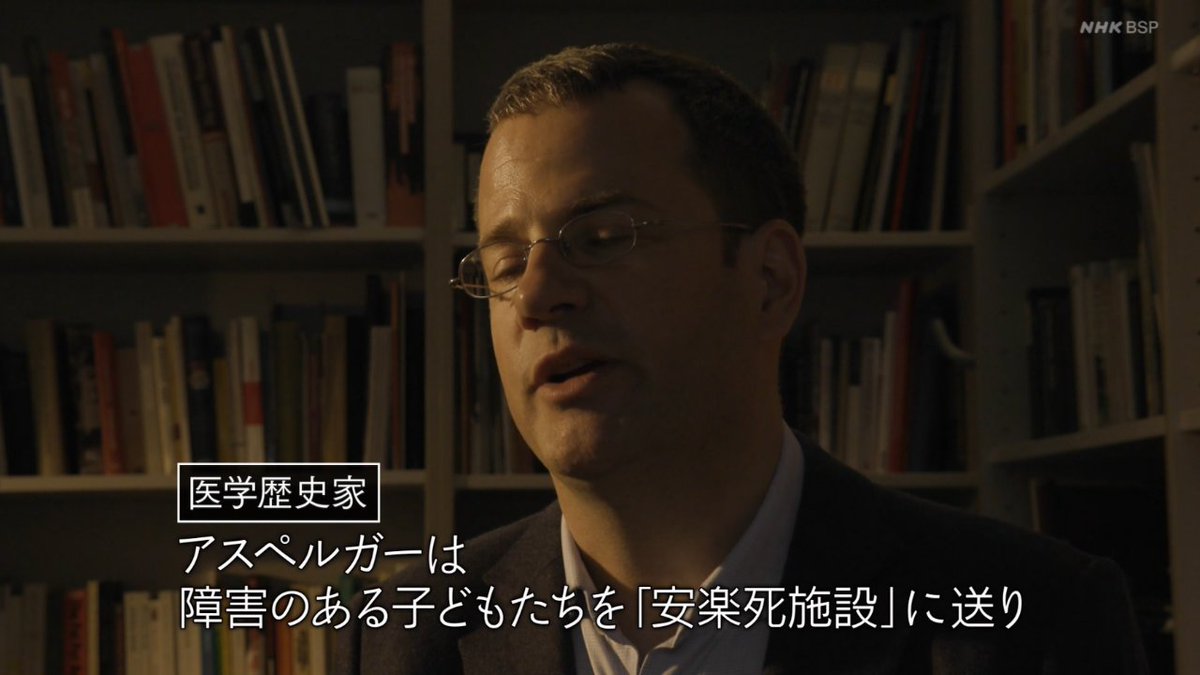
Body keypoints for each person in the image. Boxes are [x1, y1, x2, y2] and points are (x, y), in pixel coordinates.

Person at [335, 43, 1147, 674]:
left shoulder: (1035, 622)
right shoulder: (402, 637)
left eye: (605, 236)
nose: (538, 294)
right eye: (506, 263)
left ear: (770, 280)